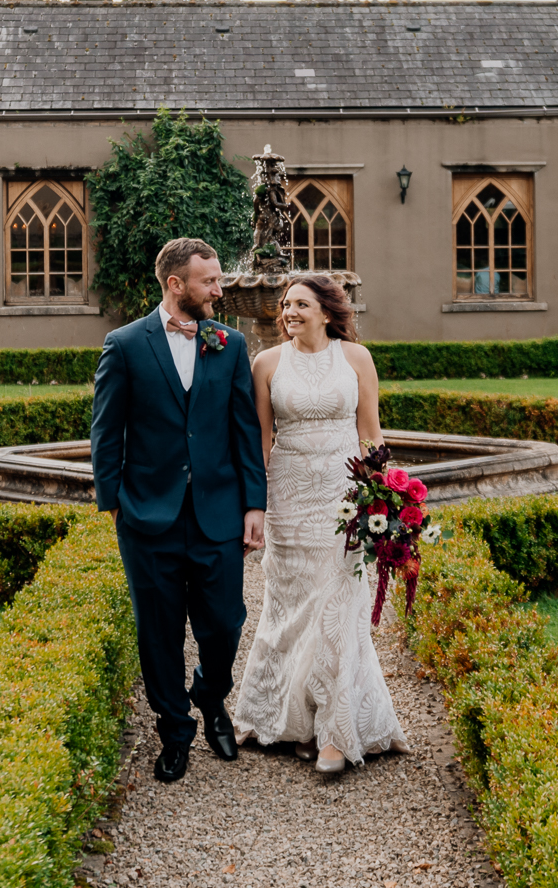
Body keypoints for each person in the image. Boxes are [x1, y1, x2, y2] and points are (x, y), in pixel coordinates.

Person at [90, 238, 267, 785]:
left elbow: (245, 431)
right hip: (148, 518)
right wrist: (114, 504)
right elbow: (105, 433)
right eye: (210, 281)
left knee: (225, 624)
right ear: (176, 285)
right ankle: (175, 732)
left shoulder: (230, 344)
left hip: (218, 512)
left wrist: (254, 504)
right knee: (159, 632)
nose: (220, 289)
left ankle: (211, 697)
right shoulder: (123, 345)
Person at [231, 274, 410, 773]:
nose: (289, 312)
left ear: (327, 312)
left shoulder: (357, 360)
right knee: (288, 609)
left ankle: (334, 732)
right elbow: (261, 443)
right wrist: (256, 507)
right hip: (289, 498)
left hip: (343, 498)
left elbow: (370, 434)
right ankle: (275, 715)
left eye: (300, 304)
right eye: (285, 304)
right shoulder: (266, 363)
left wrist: (384, 503)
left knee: (339, 609)